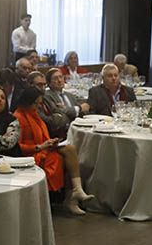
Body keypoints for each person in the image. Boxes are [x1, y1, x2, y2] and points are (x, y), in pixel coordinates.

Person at [12, 87, 94, 215]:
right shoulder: (18, 117)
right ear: (27, 102)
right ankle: (73, 196)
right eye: (37, 104)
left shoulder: (34, 114)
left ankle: (76, 192)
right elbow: (17, 146)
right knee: (65, 159)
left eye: (40, 104)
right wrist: (40, 146)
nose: (39, 107)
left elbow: (43, 135)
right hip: (33, 153)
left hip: (44, 148)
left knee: (70, 149)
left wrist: (50, 142)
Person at [43, 68, 91, 135]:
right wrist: (78, 109)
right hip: (60, 133)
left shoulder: (70, 95)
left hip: (76, 130)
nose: (59, 80)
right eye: (55, 78)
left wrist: (67, 110)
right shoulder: (47, 96)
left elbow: (84, 111)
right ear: (49, 83)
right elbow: (58, 116)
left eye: (61, 77)